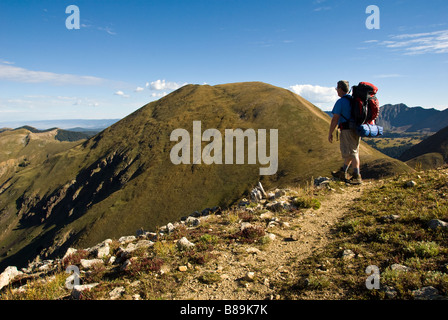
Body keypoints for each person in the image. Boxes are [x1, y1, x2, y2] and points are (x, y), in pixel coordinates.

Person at [328, 80, 362, 184]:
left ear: (340, 89)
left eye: (337, 89)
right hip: (357, 129)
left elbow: (335, 118)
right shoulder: (353, 100)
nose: (336, 91)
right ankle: (343, 172)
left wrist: (330, 132)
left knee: (353, 153)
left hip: (347, 130)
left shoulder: (341, 101)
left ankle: (357, 176)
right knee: (351, 151)